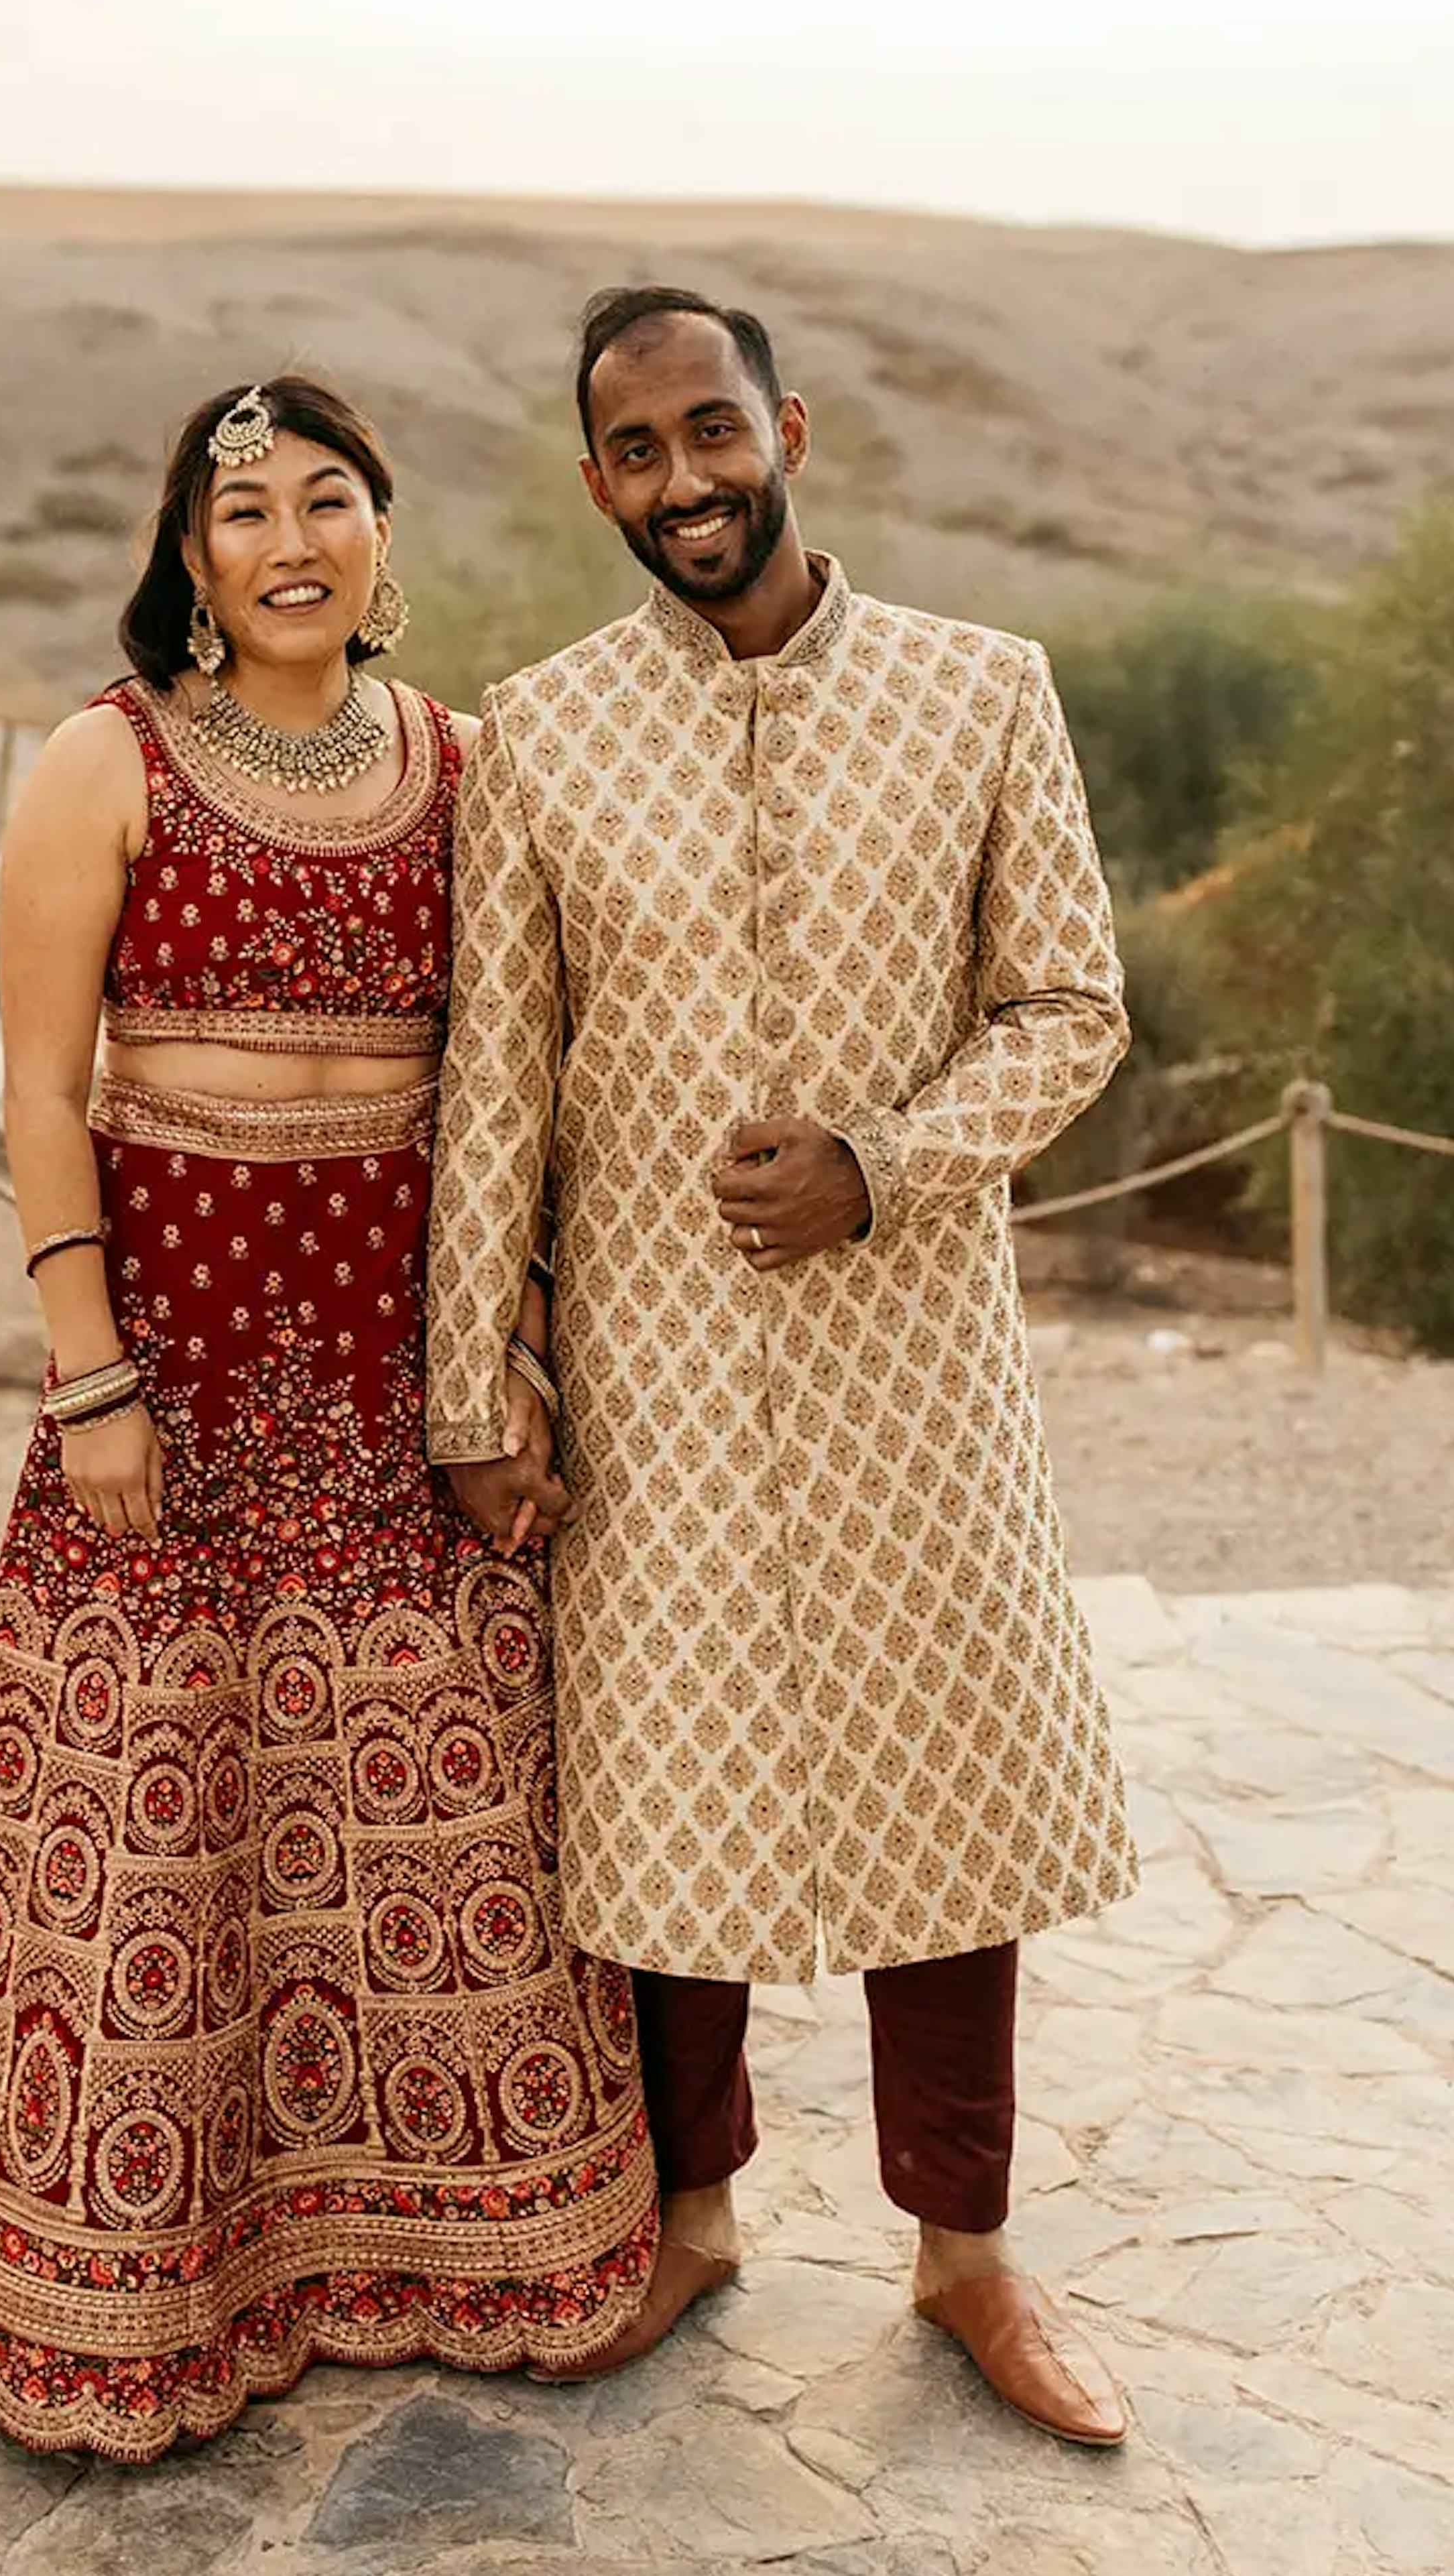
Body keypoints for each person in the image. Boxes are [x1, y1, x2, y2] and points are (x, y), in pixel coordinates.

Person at [0, 375, 658, 2460]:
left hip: (395, 1374)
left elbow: (514, 1083)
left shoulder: (465, 763)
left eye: (329, 502)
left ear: (387, 536)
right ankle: (106, 2284)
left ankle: (455, 2241)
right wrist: (90, 1375)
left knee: (419, 1817)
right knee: (154, 1824)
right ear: (191, 557)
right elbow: (36, 1092)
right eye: (243, 509)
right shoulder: (110, 759)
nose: (290, 542)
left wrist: (517, 1345)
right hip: (172, 1368)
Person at [426, 284, 1140, 2444]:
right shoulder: (540, 732)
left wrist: (889, 1165)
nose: (683, 486)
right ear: (595, 484)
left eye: (710, 435)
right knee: (660, 1801)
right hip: (650, 1375)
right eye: (635, 456)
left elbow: (1074, 1009)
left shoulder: (980, 694)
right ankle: (691, 2224)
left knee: (953, 1803)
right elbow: (500, 1088)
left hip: (914, 1362)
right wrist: (482, 1383)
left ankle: (967, 2261)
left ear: (788, 427)